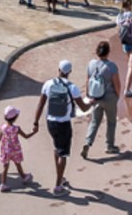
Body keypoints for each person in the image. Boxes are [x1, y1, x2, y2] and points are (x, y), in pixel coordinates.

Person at [33, 59, 89, 196]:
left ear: (58, 69)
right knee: (63, 153)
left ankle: (60, 176)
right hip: (63, 124)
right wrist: (92, 102)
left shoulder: (48, 84)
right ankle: (58, 186)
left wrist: (35, 122)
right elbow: (83, 107)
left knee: (56, 148)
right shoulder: (72, 88)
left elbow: (40, 105)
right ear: (70, 72)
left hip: (50, 122)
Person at [81, 40, 121, 158]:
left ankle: (88, 142)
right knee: (111, 122)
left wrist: (89, 95)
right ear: (108, 52)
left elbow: (87, 80)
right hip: (109, 97)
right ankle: (109, 146)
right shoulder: (112, 67)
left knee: (94, 121)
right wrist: (117, 96)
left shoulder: (91, 64)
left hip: (95, 97)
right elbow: (117, 84)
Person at [0, 105, 35, 192]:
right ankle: (24, 177)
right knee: (18, 164)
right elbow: (26, 136)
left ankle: (3, 184)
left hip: (5, 150)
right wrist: (34, 132)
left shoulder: (2, 127)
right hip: (15, 150)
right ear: (15, 118)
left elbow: (0, 138)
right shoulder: (16, 129)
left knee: (5, 167)